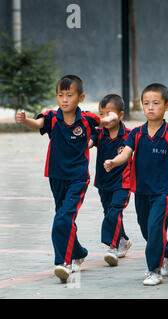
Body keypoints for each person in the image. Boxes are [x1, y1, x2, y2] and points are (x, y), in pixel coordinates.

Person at [15, 74, 118, 283]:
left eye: (69, 95)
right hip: (56, 177)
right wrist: (24, 120)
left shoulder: (87, 119)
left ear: (80, 97)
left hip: (78, 178)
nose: (64, 99)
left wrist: (111, 118)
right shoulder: (52, 117)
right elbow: (37, 123)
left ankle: (63, 262)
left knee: (62, 218)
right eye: (60, 95)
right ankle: (78, 252)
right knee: (64, 218)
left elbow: (104, 121)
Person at [104, 83, 168, 286]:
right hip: (141, 191)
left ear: (167, 106)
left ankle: (154, 270)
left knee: (155, 229)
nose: (150, 107)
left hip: (163, 193)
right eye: (146, 103)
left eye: (156, 103)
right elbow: (126, 154)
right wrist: (113, 162)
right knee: (147, 230)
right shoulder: (136, 133)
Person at [89, 94, 133, 266]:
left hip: (123, 183)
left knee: (114, 211)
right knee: (110, 213)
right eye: (101, 114)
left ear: (120, 115)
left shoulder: (129, 135)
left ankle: (112, 247)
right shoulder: (99, 134)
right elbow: (88, 143)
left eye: (109, 113)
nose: (105, 118)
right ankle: (123, 240)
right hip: (103, 182)